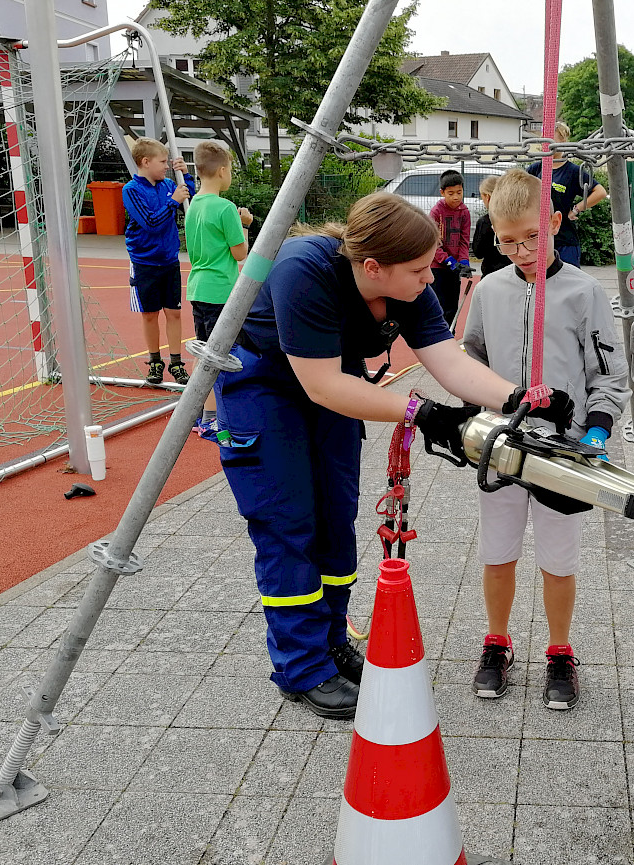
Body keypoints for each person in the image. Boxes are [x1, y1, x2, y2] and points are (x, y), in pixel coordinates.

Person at [214, 192, 574, 720]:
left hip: (335, 382)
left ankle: (332, 641)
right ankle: (301, 667)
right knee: (288, 524)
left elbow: (447, 360)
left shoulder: (406, 281)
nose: (431, 280)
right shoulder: (302, 270)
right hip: (268, 389)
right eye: (420, 271)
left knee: (337, 519)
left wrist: (516, 397)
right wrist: (421, 413)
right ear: (375, 268)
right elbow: (321, 385)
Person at [462, 167, 629, 710]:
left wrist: (598, 428)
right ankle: (497, 641)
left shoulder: (584, 292)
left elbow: (608, 371)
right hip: (506, 448)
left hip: (565, 451)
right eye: (507, 240)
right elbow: (472, 361)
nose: (522, 249)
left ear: (555, 220)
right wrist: (475, 419)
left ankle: (560, 649)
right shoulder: (489, 290)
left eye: (533, 235)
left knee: (559, 557)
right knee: (497, 550)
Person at [184, 139, 252, 436]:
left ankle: (204, 412)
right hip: (221, 290)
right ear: (223, 170)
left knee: (206, 353)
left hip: (198, 287)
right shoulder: (225, 208)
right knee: (220, 357)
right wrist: (246, 224)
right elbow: (241, 253)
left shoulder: (193, 205)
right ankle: (212, 416)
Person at [123, 137, 195, 385]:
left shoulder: (167, 184)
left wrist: (187, 178)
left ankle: (176, 362)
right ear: (145, 162)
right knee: (150, 314)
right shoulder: (131, 190)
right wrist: (172, 201)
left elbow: (190, 200)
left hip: (169, 261)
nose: (166, 166)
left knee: (174, 312)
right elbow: (150, 223)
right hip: (145, 262)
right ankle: (155, 361)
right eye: (162, 161)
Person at [525, 121, 607, 267]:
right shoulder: (536, 169)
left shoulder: (572, 171)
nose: (546, 142)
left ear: (562, 140)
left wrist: (577, 209)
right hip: (539, 238)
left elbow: (599, 192)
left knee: (567, 283)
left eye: (551, 137)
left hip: (565, 240)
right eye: (544, 137)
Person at [429, 169, 471, 327]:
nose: (456, 197)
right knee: (439, 304)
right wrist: (449, 261)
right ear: (442, 192)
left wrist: (464, 263)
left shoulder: (464, 212)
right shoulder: (436, 212)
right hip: (438, 266)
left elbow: (464, 240)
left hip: (454, 268)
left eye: (459, 192)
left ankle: (450, 333)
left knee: (452, 306)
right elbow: (432, 244)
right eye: (451, 193)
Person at [469, 175, 512, 277]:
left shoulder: (484, 222)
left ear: (487, 197)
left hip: (490, 273)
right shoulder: (513, 218)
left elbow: (478, 252)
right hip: (512, 271)